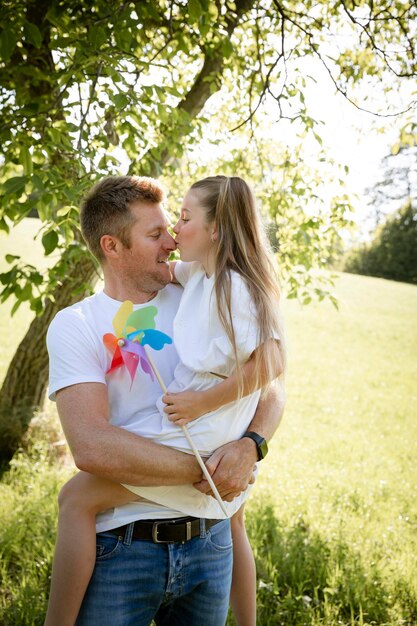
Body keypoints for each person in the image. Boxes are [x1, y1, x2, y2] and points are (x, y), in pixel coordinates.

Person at [45, 175, 286, 626]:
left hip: (211, 538)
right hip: (126, 545)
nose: (172, 241)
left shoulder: (203, 291)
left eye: (173, 226)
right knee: (76, 497)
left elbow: (270, 383)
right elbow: (92, 448)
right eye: (155, 234)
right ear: (112, 246)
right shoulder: (76, 324)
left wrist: (251, 445)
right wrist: (215, 471)